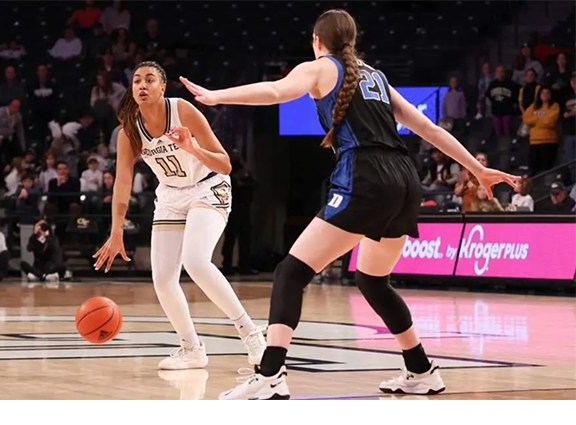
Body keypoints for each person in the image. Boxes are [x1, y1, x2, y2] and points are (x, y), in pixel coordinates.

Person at [180, 9, 519, 399]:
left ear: (317, 40)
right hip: (404, 178)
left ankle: (271, 374)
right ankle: (421, 369)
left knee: (291, 272)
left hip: (367, 174)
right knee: (372, 280)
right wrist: (477, 168)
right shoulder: (375, 74)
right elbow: (426, 128)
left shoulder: (322, 67)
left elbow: (275, 92)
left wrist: (216, 96)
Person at [92, 61, 266, 371]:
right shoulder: (129, 129)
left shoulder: (182, 110)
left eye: (149, 79)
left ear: (162, 86)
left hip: (208, 186)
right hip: (171, 195)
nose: (142, 85)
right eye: (136, 81)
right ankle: (191, 349)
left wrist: (191, 147)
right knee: (162, 279)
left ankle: (251, 334)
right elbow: (122, 182)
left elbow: (224, 164)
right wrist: (115, 230)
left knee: (196, 261)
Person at [523, 87, 560, 176]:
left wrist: (535, 120)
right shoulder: (534, 106)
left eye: (547, 93)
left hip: (549, 140)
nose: (545, 95)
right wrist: (541, 119)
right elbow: (526, 119)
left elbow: (550, 122)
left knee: (546, 168)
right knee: (532, 168)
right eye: (543, 93)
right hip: (534, 141)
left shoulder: (554, 106)